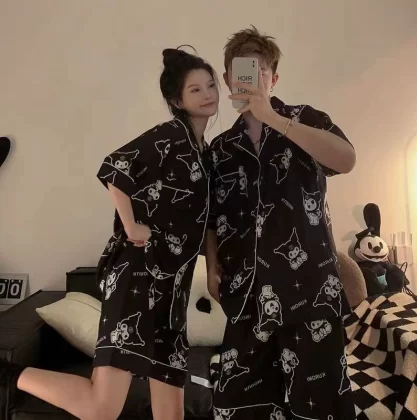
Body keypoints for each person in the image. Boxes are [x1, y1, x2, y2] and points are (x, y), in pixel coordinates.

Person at [0, 47, 219, 420]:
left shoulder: (205, 153)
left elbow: (210, 220)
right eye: (195, 89)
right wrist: (131, 225)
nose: (208, 94)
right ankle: (7, 375)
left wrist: (213, 270)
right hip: (139, 277)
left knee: (171, 413)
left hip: (172, 291)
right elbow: (115, 166)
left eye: (211, 85)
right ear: (176, 100)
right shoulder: (169, 135)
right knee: (102, 408)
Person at [206, 26, 357, 420]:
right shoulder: (220, 149)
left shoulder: (305, 119)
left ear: (273, 79)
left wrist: (272, 117)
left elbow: (346, 160)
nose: (250, 80)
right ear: (228, 79)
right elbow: (211, 216)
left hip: (310, 289)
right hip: (246, 294)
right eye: (241, 73)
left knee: (320, 406)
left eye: (259, 72)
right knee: (239, 407)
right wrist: (211, 266)